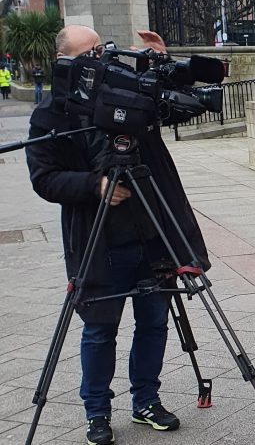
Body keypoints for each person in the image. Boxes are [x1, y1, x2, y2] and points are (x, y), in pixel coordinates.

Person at [26, 25, 211, 445]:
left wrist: (161, 66)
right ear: (68, 63)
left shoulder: (131, 95)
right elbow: (45, 179)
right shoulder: (50, 114)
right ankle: (97, 411)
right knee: (99, 330)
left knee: (154, 321)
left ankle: (146, 400)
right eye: (92, 52)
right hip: (99, 240)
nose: (103, 57)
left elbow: (183, 110)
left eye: (104, 48)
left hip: (151, 231)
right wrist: (95, 186)